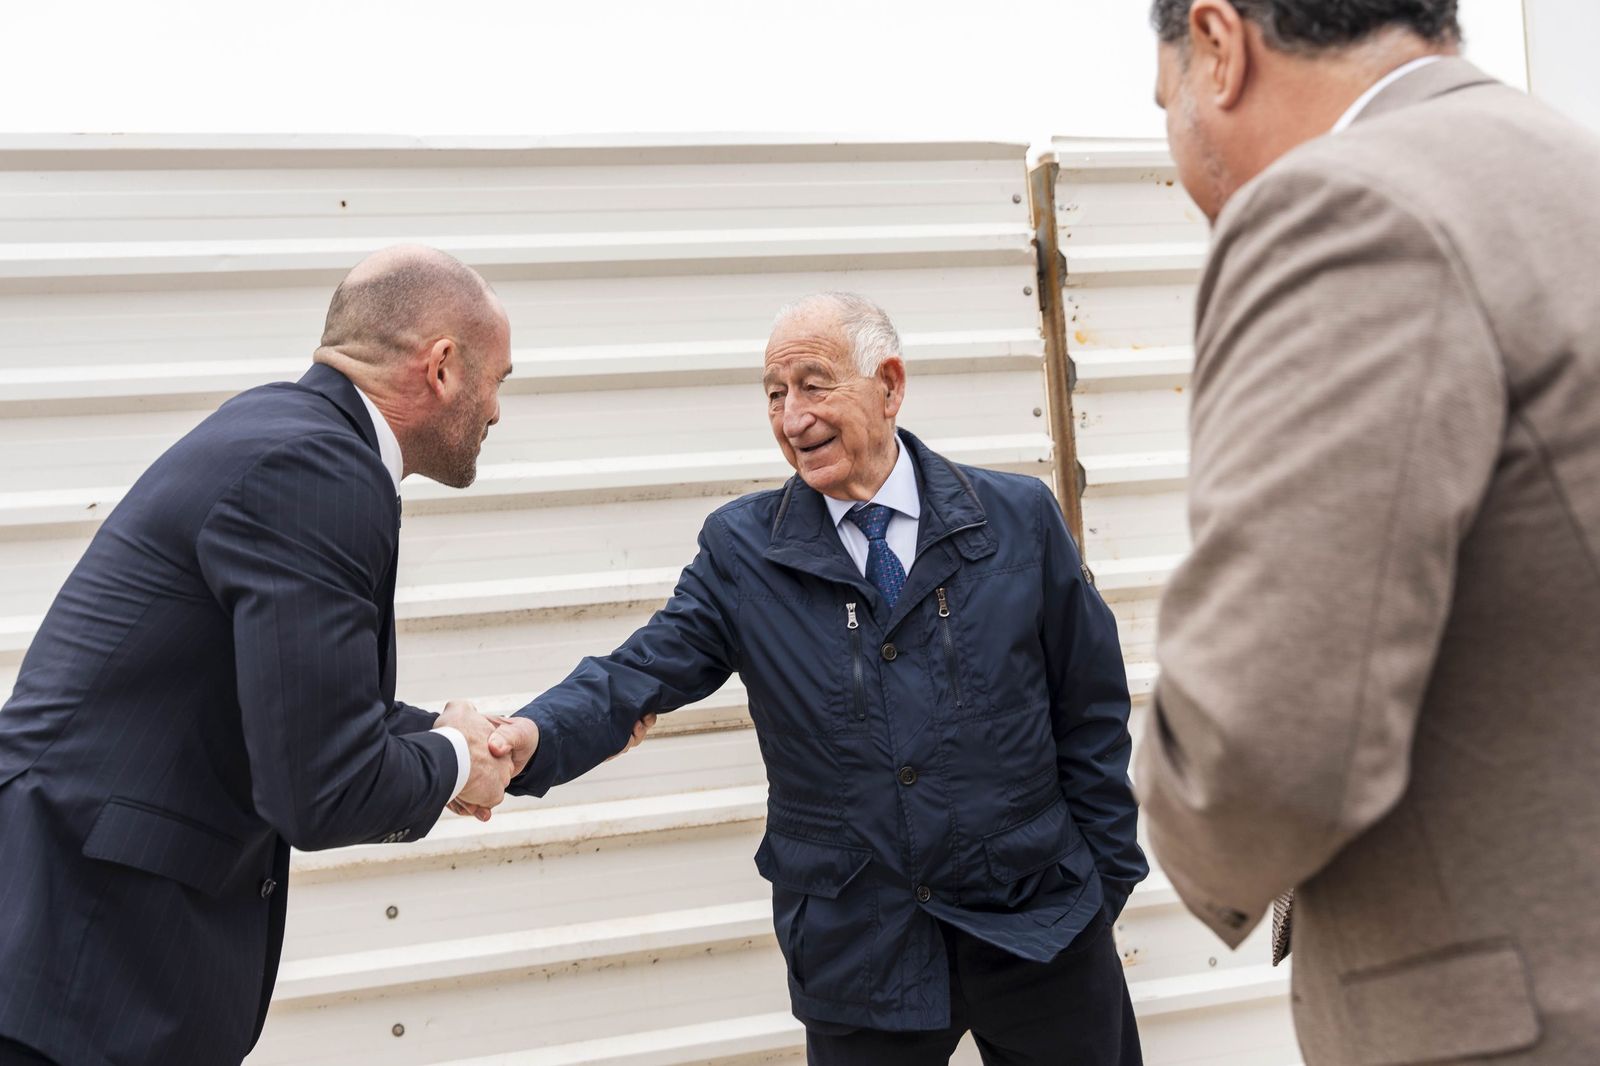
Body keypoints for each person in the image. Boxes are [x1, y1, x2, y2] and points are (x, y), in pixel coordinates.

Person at [480, 292, 1147, 1065]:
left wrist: (1103, 881)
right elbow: (641, 670)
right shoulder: (745, 551)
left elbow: (1091, 708)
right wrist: (531, 737)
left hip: (1039, 925)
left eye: (813, 385)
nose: (793, 418)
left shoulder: (1016, 520)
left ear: (889, 385)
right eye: (775, 394)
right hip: (862, 949)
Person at [1137, 1, 1600, 1063]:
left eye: (1164, 102)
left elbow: (1258, 743)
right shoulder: (1564, 170)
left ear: (1218, 47)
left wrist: (1182, 809)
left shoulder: (1346, 205)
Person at [0, 246, 521, 1065]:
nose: (496, 411)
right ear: (444, 367)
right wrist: (457, 760)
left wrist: (444, 733)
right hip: (79, 969)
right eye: (498, 380)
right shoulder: (317, 470)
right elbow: (322, 789)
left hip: (70, 952)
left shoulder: (287, 435)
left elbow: (286, 695)